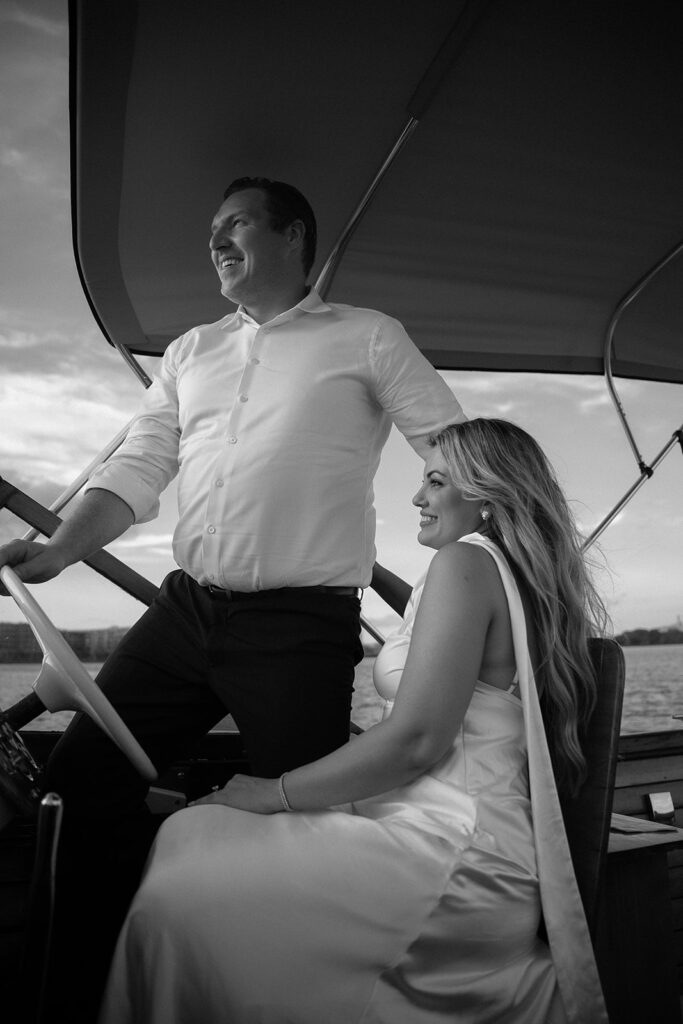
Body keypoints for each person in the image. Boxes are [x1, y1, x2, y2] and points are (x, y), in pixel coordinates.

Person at [0, 177, 463, 1018]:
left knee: (301, 820)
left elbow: (452, 446)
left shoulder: (367, 337)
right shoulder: (190, 352)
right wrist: (62, 549)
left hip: (300, 624)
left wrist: (490, 557)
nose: (215, 240)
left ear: (292, 237)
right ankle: (80, 988)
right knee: (80, 779)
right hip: (183, 612)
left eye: (235, 224)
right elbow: (141, 463)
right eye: (211, 229)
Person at [97, 418, 610, 1024]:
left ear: (488, 497)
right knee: (190, 841)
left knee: (181, 880)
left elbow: (417, 741)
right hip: (455, 830)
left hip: (458, 851)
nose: (417, 497)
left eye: (435, 481)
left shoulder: (465, 566)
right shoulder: (499, 572)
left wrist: (272, 792)